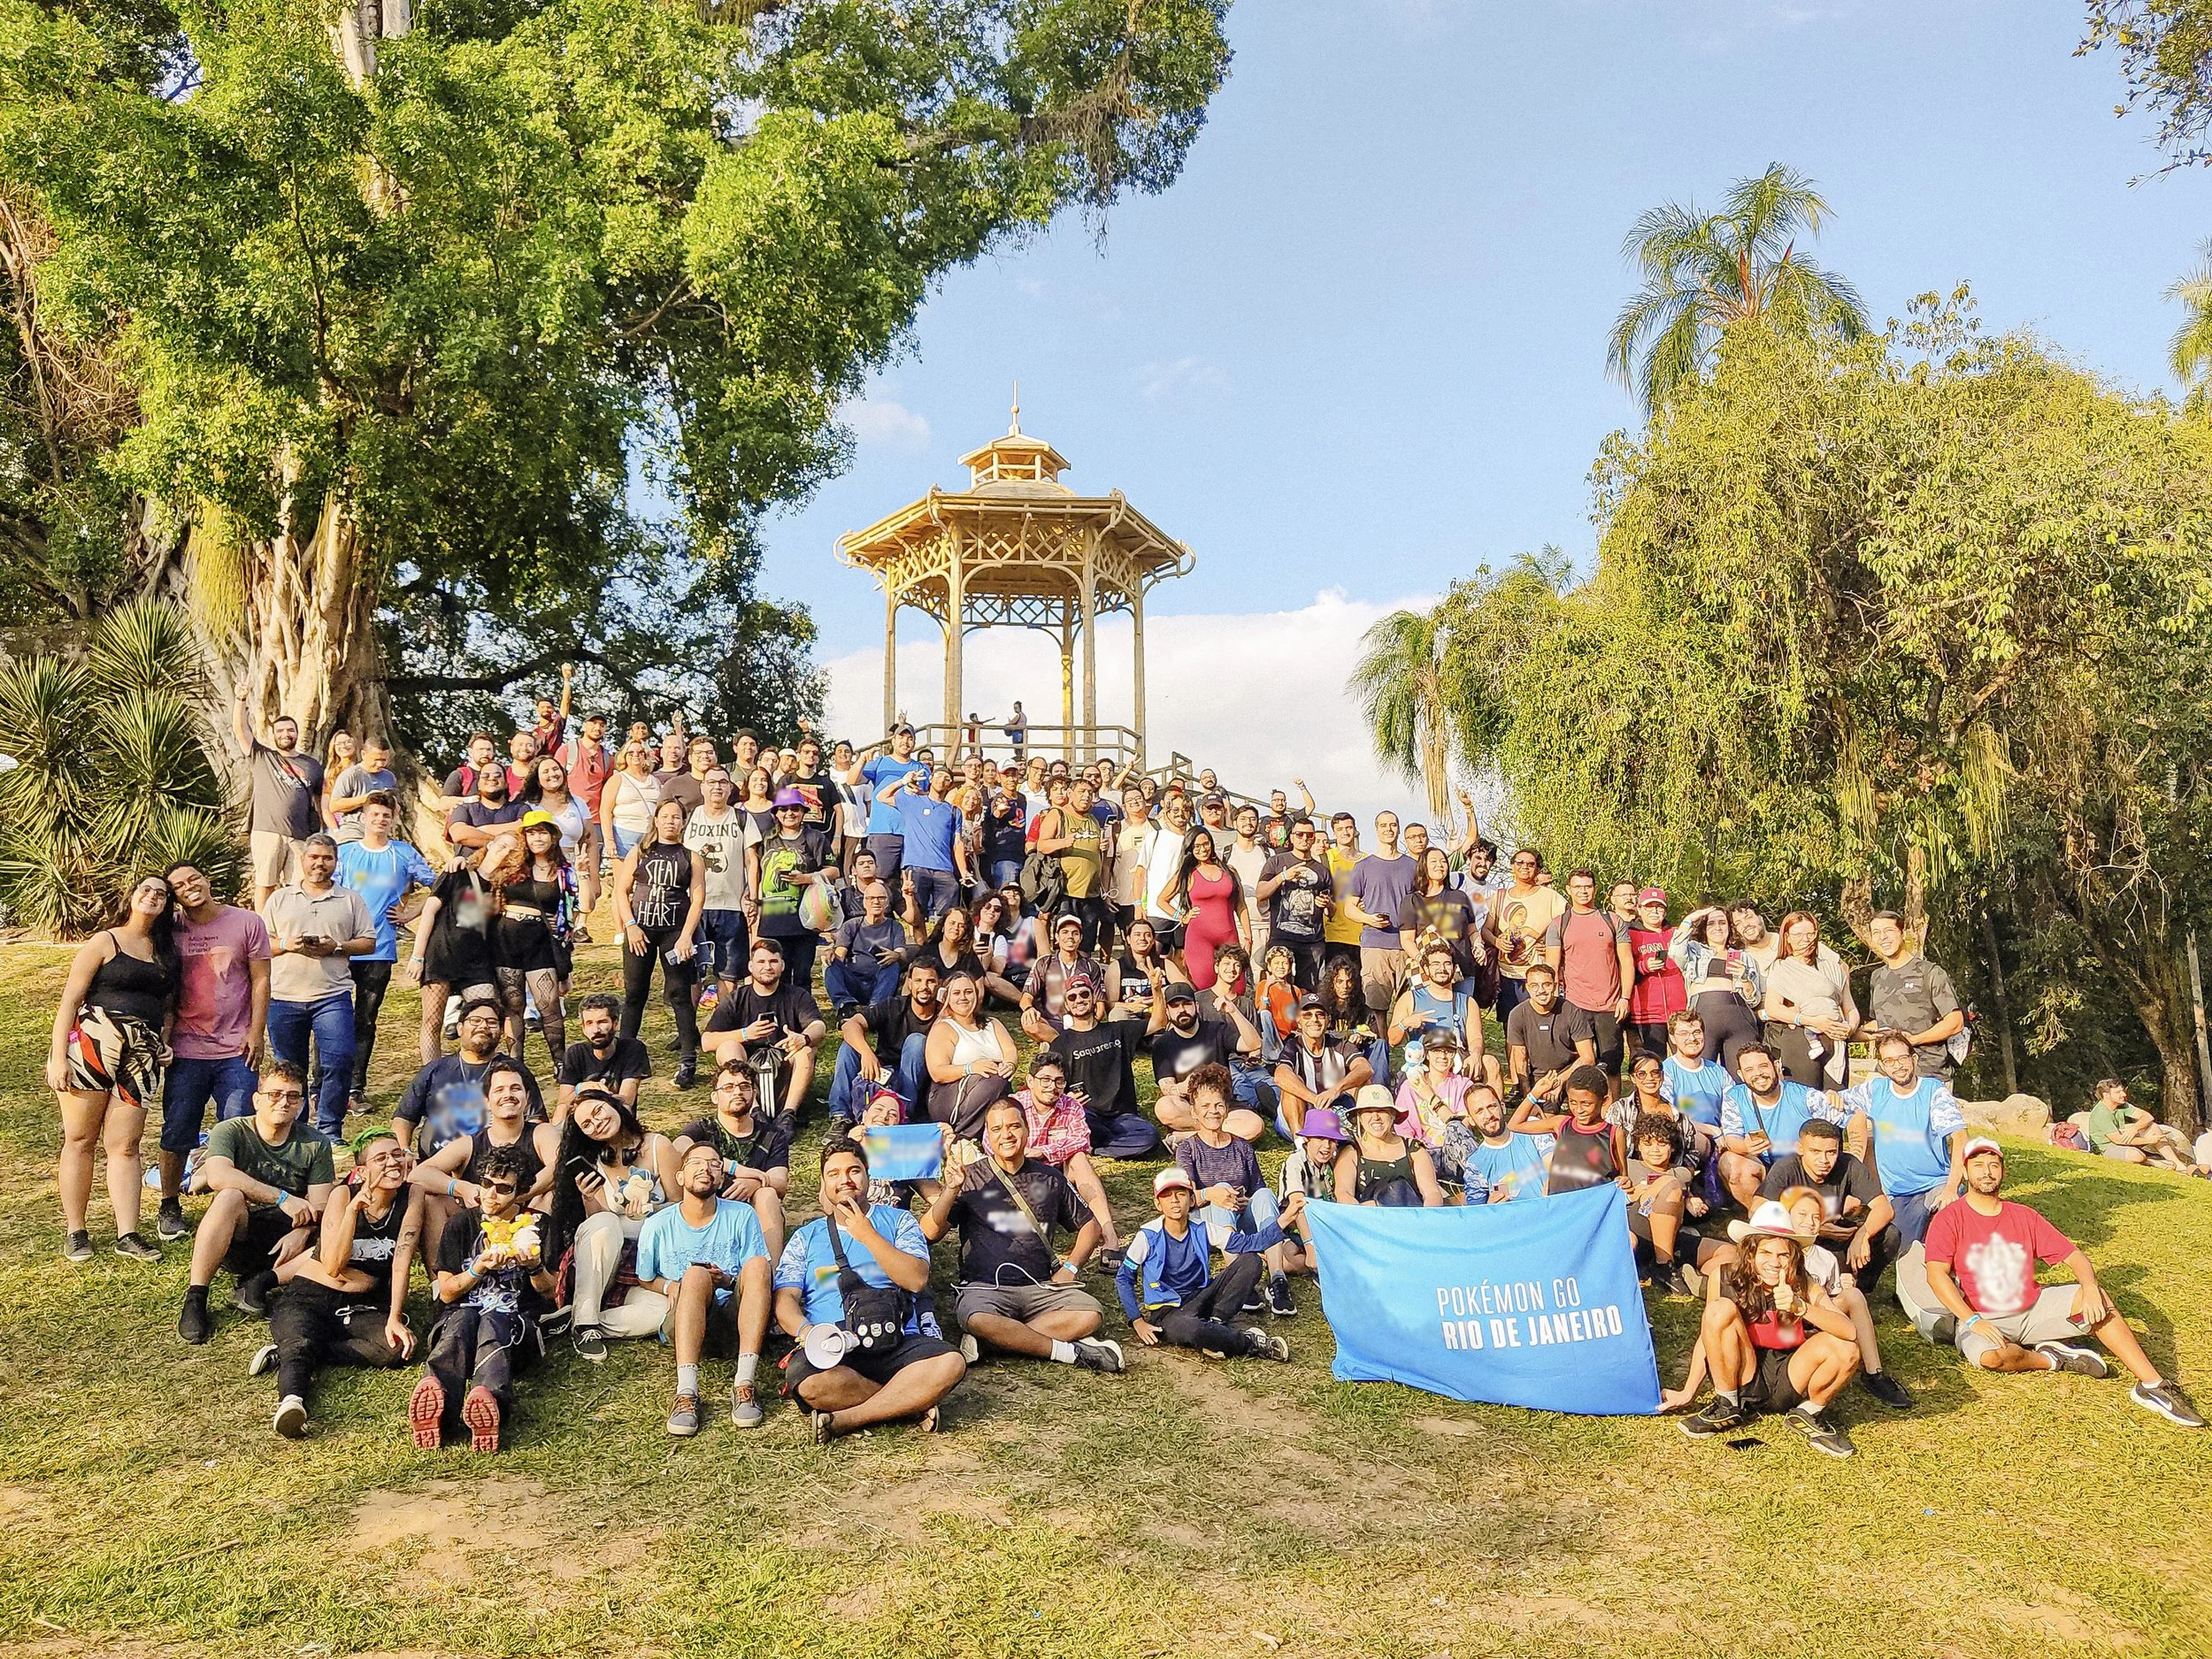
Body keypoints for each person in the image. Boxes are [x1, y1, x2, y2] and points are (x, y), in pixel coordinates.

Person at [1923, 1139, 2202, 1426]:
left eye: (1994, 1164)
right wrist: (1971, 1321)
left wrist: (2091, 1288)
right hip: (1982, 1317)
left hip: (2032, 1308)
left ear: (2003, 1172)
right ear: (1966, 1172)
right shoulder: (1949, 1219)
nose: (1987, 1172)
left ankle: (2152, 1386)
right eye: (1978, 1165)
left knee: (2099, 1300)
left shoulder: (2024, 1216)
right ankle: (2051, 1358)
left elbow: (2075, 1257)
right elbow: (1936, 1275)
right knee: (1993, 1358)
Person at [777, 1139, 967, 1441]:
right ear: (824, 1183)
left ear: (868, 1174)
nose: (845, 1180)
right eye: (834, 1174)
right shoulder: (806, 1236)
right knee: (809, 1383)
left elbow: (917, 1280)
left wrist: (867, 1234)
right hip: (834, 1342)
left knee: (951, 1363)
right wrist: (807, 1332)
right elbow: (785, 1299)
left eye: (854, 1171)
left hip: (897, 1336)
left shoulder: (899, 1220)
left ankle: (848, 1419)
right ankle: (910, 1405)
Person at [919, 1098, 1122, 1371]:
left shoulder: (1050, 1177)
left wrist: (1071, 1268)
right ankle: (1068, 1352)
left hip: (1041, 1288)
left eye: (1014, 1126)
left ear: (1027, 1131)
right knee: (978, 1319)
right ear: (987, 1137)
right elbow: (929, 1232)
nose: (1007, 1134)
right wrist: (951, 1190)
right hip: (986, 1289)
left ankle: (994, 1342)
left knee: (1090, 1314)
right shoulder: (971, 1177)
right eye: (997, 1129)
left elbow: (1091, 1226)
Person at [258, 1124, 423, 1438]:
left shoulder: (412, 1194)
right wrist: (352, 1211)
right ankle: (292, 1403)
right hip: (311, 1296)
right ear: (361, 1171)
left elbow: (402, 1258)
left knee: (395, 1348)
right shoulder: (342, 1195)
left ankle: (291, 1352)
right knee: (301, 1341)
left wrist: (393, 1317)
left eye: (397, 1155)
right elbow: (333, 1265)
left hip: (363, 1304)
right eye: (381, 1159)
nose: (393, 1163)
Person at [50, 875, 176, 1263]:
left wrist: (164, 1043)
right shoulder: (106, 941)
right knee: (80, 1139)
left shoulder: (167, 952)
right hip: (92, 1046)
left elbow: (168, 1009)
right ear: (133, 896)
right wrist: (58, 1057)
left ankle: (128, 1233)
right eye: (146, 890)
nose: (153, 897)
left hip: (141, 1056)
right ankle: (77, 1230)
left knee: (125, 1146)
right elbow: (70, 1000)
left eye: (161, 894)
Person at [1671, 1200, 1861, 1455]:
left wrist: (1801, 1307)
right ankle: (1727, 1403)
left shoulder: (1803, 1284)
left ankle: (1808, 1412)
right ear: (1750, 1253)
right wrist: (1688, 1392)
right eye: (1766, 1253)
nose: (1775, 1262)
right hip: (1744, 1372)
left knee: (1847, 1348)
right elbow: (1709, 1334)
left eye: (1783, 1254)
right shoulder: (1725, 1276)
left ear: (1792, 1257)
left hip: (1791, 1374)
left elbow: (1849, 1332)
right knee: (1719, 1310)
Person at [156, 860, 273, 1242]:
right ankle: (169, 1204)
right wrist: (163, 1038)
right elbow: (166, 991)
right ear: (173, 896)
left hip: (237, 1048)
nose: (189, 887)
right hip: (187, 1047)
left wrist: (256, 1034)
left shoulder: (246, 922)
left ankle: (230, 1204)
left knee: (237, 1125)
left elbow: (260, 980)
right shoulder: (169, 930)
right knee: (178, 1128)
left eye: (194, 878)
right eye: (178, 885)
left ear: (206, 880)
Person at [412, 1143, 557, 1451]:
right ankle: (438, 1400)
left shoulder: (538, 1226)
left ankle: (490, 1402)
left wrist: (534, 1266)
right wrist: (477, 1269)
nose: (491, 1194)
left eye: (503, 1189)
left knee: (493, 1320)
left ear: (520, 1192)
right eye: (487, 1183)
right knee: (464, 1317)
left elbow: (551, 1291)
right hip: (458, 1326)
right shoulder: (460, 1224)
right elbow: (448, 1290)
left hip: (515, 1328)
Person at [177, 1061, 334, 1345]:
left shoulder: (316, 1143)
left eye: (292, 1096)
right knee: (229, 1195)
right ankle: (196, 1297)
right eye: (275, 1094)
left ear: (300, 1104)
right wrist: (283, 1197)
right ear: (257, 1099)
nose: (283, 1102)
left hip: (291, 1241)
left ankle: (261, 1284)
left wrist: (302, 1232)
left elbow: (322, 1205)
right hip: (240, 1233)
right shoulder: (230, 1131)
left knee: (339, 1228)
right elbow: (217, 1175)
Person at [634, 1141, 774, 1434]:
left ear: (721, 1178)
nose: (706, 1168)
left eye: (714, 1164)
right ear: (680, 1177)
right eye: (696, 1162)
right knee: (695, 1276)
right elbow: (645, 1277)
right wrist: (672, 1285)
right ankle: (686, 1392)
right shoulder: (657, 1225)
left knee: (759, 1264)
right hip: (687, 1318)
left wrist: (727, 1281)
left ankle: (745, 1383)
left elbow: (755, 1276)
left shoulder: (742, 1214)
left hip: (738, 1320)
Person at [547, 1087, 682, 1361]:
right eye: (587, 1124)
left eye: (598, 1111)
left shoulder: (658, 1146)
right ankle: (585, 1320)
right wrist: (588, 1198)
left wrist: (648, 1213)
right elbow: (597, 1228)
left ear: (613, 1105)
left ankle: (587, 1322)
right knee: (606, 1222)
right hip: (608, 1267)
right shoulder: (594, 1163)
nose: (596, 1122)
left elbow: (681, 1208)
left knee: (667, 1312)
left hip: (648, 1269)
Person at [1118, 1167, 1295, 1363]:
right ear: (1158, 1204)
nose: (1175, 1201)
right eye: (1167, 1196)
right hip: (1168, 1311)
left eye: (1180, 1194)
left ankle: (1216, 1323)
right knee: (1191, 1329)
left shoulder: (1203, 1229)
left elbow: (1250, 1244)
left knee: (1251, 1260)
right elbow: (1124, 1277)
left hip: (1202, 1297)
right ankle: (1248, 1342)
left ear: (1192, 1200)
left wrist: (1286, 1218)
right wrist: (1137, 1320)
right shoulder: (1148, 1235)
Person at [262, 834, 375, 1139]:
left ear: (335, 863)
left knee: (339, 1059)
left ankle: (329, 1129)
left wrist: (336, 946)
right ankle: (296, 1129)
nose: (319, 864)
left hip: (331, 995)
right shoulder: (280, 899)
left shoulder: (351, 899)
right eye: (314, 857)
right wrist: (288, 945)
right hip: (284, 996)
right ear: (303, 860)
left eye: (327, 858)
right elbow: (261, 944)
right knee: (289, 1067)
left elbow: (368, 941)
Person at [334, 794, 435, 1111]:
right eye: (374, 814)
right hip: (340, 948)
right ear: (363, 818)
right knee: (332, 1017)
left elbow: (440, 884)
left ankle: (355, 1089)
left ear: (393, 819)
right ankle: (321, 1085)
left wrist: (410, 913)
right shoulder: (346, 854)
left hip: (379, 949)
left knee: (365, 1019)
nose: (380, 819)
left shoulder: (402, 854)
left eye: (385, 815)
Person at [409, 1055, 553, 1274]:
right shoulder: (469, 1143)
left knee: (552, 1192)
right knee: (432, 1199)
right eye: (499, 1090)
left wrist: (516, 1196)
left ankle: (541, 1276)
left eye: (516, 1089)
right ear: (486, 1100)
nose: (508, 1095)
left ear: (527, 1096)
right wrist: (461, 1187)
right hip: (477, 1226)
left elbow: (559, 1167)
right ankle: (442, 1281)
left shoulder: (541, 1133)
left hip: (529, 1222)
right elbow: (418, 1175)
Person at [1178, 1064, 1300, 1312]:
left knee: (1265, 1195)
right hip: (1208, 1221)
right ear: (1194, 1112)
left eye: (1218, 1105)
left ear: (1227, 1109)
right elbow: (1183, 1200)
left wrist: (1245, 1200)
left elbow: (1258, 1190)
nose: (1213, 1112)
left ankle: (1277, 1279)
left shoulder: (1242, 1147)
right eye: (1205, 1106)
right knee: (1221, 1191)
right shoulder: (1188, 1149)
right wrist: (1210, 1193)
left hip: (1239, 1217)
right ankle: (1239, 1278)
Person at [1838, 1030, 1967, 1249]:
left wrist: (1951, 1188)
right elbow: (1829, 1104)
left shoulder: (1933, 1091)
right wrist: (1831, 1096)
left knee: (1942, 1241)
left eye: (1902, 1058)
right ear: (1883, 1065)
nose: (1897, 1066)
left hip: (1936, 1185)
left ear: (1914, 1059)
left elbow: (1960, 1137)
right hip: (1897, 1193)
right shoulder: (1874, 1091)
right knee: (1905, 1254)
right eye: (1889, 1061)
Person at [615, 798, 706, 1087]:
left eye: (676, 817)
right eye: (665, 816)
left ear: (683, 822)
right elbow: (621, 891)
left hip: (674, 934)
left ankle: (688, 1061)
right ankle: (622, 1061)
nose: (670, 821)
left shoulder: (691, 856)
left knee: (679, 994)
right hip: (640, 931)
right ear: (656, 820)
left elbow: (698, 898)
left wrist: (686, 936)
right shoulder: (640, 851)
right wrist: (630, 926)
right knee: (634, 995)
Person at [1757, 1118, 1894, 1295]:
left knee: (1890, 1235)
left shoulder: (1849, 1164)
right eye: (1815, 1151)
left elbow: (1884, 1208)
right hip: (1798, 1238)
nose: (1824, 1160)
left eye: (1831, 1152)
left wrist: (1863, 1234)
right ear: (1801, 1149)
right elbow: (1758, 1209)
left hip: (1837, 1236)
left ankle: (1861, 1288)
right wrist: (1812, 1229)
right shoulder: (1785, 1169)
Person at [393, 995, 546, 1150]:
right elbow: (403, 1118)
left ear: (501, 1032)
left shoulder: (514, 1071)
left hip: (496, 1162)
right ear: (460, 1029)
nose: (483, 1026)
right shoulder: (435, 1070)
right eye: (475, 1021)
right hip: (436, 1164)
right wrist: (404, 1151)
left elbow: (535, 1120)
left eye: (492, 1023)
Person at [673, 1060, 793, 1260]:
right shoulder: (704, 1128)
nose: (737, 1092)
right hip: (710, 1206)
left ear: (754, 1094)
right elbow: (678, 1147)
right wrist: (732, 1167)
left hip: (752, 1212)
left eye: (744, 1086)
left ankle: (771, 1274)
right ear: (715, 1097)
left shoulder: (772, 1135)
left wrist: (753, 1184)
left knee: (767, 1195)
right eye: (728, 1087)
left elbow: (780, 1182)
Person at [1014, 1051, 1126, 1260]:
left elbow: (1081, 1140)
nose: (1052, 1087)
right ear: (1030, 1081)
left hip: (1061, 1173)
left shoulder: (1071, 1106)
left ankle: (1110, 1236)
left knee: (1079, 1159)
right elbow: (993, 1145)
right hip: (1024, 1174)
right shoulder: (1014, 1106)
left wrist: (1043, 1151)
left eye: (1059, 1081)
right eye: (1045, 1080)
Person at [703, 938, 826, 1120]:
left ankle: (788, 1115)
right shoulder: (736, 999)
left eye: (773, 961)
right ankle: (754, 1111)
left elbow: (819, 1026)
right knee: (727, 1047)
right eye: (761, 962)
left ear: (782, 966)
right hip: (748, 1066)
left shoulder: (797, 995)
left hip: (784, 1063)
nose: (767, 967)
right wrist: (746, 1034)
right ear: (750, 967)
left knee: (806, 1051)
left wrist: (803, 1038)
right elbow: (707, 1041)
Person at [1041, 972, 1158, 1160]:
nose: (1079, 999)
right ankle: (1101, 1142)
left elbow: (1158, 1022)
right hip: (1087, 1115)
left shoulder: (1118, 1030)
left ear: (1094, 998)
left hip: (1123, 1117)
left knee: (1150, 1136)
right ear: (1067, 1004)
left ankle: (1092, 1147)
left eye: (1084, 994)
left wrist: (1157, 989)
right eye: (1072, 996)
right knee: (1082, 1124)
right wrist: (1067, 1099)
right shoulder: (1061, 1043)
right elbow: (1049, 1085)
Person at [1716, 1043, 1847, 1210]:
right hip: (1764, 1165)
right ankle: (1763, 1217)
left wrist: (1855, 1158)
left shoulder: (1805, 1096)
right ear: (1741, 1075)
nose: (1758, 1074)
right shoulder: (1735, 1097)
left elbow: (1854, 1117)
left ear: (1776, 1066)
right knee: (1731, 1162)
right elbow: (1731, 1139)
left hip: (1802, 1169)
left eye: (1763, 1066)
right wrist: (1746, 1146)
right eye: (1749, 1070)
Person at [404, 841, 500, 1066]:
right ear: (490, 847)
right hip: (442, 954)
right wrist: (417, 956)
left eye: (513, 849)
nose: (505, 852)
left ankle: (476, 1066)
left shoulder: (505, 885)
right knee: (433, 1020)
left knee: (484, 1016)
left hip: (477, 961)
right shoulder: (457, 873)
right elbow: (429, 911)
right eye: (501, 846)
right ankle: (431, 1073)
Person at [232, 688, 326, 909]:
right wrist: (240, 699)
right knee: (265, 883)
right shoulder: (262, 756)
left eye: (290, 730)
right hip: (267, 831)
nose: (286, 734)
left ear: (297, 733)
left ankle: (293, 927)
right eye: (281, 730)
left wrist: (324, 832)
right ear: (274, 735)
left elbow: (321, 801)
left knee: (298, 885)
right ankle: (262, 930)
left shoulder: (311, 765)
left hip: (300, 835)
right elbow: (240, 730)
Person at [1148, 979, 1267, 1141]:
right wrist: (1182, 1088)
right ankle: (1217, 1134)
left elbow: (1254, 1043)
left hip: (1223, 1106)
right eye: (1175, 1006)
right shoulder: (1163, 1044)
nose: (1182, 1010)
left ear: (1196, 1006)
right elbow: (1166, 1086)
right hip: (1190, 1108)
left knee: (1254, 1125)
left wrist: (1234, 1012)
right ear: (1167, 1012)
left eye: (1186, 1004)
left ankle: (1189, 1137)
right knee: (1164, 1107)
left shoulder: (1217, 1030)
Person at [829, 958, 941, 1127]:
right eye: (918, 981)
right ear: (909, 984)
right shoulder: (893, 1005)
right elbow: (850, 1025)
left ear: (940, 984)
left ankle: (904, 1113)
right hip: (881, 1073)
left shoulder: (944, 1016)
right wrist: (867, 1053)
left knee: (916, 1041)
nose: (923, 987)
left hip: (916, 1082)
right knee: (848, 1047)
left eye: (930, 981)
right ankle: (840, 1116)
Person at [1541, 870, 1633, 1075]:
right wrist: (1553, 1004)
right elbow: (1552, 968)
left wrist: (1625, 998)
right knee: (1581, 1065)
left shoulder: (1613, 920)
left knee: (1612, 1067)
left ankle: (1610, 1107)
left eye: (1587, 887)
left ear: (1595, 889)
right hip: (1576, 1006)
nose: (1583, 891)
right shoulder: (1559, 924)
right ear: (1569, 890)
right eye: (1578, 887)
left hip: (1610, 1006)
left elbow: (1626, 961)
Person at [1863, 910, 1965, 1081]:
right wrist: (1847, 1033)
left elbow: (1955, 1022)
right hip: (1888, 1075)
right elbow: (1878, 1024)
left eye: (1889, 931)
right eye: (1877, 933)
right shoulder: (1877, 977)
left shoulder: (1930, 972)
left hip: (1928, 1074)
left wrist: (1914, 1040)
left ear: (1902, 934)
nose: (1883, 937)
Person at [752, 786, 836, 991]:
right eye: (784, 809)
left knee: (801, 973)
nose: (789, 813)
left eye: (795, 809)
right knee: (776, 971)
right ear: (776, 813)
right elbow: (754, 869)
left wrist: (808, 878)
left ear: (803, 812)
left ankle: (802, 1016)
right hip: (774, 914)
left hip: (805, 914)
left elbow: (834, 871)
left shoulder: (815, 838)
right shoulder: (766, 839)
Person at [1760, 912, 1858, 1087]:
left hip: (1835, 1039)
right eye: (1798, 935)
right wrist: (1812, 1021)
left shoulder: (1832, 967)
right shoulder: (1781, 968)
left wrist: (1849, 1029)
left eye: (1810, 934)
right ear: (1787, 937)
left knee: (1837, 1100)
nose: (1805, 940)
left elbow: (1849, 1007)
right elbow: (1773, 1008)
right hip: (1801, 1039)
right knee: (1804, 1099)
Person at [925, 970, 1018, 1145]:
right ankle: (963, 1137)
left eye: (968, 992)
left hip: (994, 1087)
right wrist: (971, 1068)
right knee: (995, 1078)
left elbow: (1010, 1050)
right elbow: (937, 1072)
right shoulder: (944, 1028)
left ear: (976, 995)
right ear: (948, 998)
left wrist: (1010, 1065)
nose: (963, 997)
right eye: (957, 993)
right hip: (950, 1095)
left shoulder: (993, 1024)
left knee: (1008, 1093)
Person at [1340, 810, 1417, 1019]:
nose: (1389, 829)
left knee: (1411, 1002)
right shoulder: (1363, 867)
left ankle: (1411, 1048)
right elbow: (1349, 908)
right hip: (1375, 943)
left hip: (1407, 943)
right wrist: (1369, 919)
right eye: (1383, 825)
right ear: (1376, 830)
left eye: (1393, 825)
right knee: (1376, 1004)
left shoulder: (1413, 866)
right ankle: (1382, 1047)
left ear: (1399, 829)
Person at [1509, 1064, 1626, 1196]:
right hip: (1559, 1208)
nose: (1579, 1110)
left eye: (1586, 1104)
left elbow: (1622, 1178)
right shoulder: (1561, 1124)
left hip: (1593, 1211)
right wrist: (1535, 1093)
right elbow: (1515, 1125)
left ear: (1604, 1101)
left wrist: (1624, 1182)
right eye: (1573, 1102)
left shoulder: (1614, 1134)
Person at [1271, 991, 1375, 1140]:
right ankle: (1300, 1143)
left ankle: (1365, 1133)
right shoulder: (1293, 1046)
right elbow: (1280, 1076)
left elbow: (1366, 1068)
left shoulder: (1340, 1044)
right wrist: (1315, 1100)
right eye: (1307, 1015)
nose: (1314, 1020)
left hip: (1334, 1112)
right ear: (1299, 1021)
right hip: (1301, 1116)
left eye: (1320, 1015)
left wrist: (1336, 1090)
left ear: (1328, 1020)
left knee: (1364, 1082)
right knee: (1290, 1087)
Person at [1386, 941, 1489, 1082]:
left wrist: (1476, 1054)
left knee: (1490, 1063)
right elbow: (1392, 1040)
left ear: (1454, 969)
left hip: (1456, 1062)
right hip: (1424, 1064)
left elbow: (1476, 1039)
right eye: (1435, 964)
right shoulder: (1410, 998)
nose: (1442, 968)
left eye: (1447, 964)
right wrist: (1405, 1023)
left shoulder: (1467, 1002)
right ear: (1426, 970)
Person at [1164, 828, 1248, 992]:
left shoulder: (1229, 871)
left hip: (1229, 935)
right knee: (1203, 988)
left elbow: (1241, 905)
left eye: (1205, 844)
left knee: (1237, 987)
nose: (1202, 850)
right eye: (1196, 847)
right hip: (1199, 939)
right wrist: (1182, 916)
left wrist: (1248, 936)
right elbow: (1162, 899)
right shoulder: (1188, 873)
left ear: (1211, 843)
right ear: (1190, 849)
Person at [1487, 846, 1566, 1020]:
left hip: (1538, 976)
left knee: (1540, 1026)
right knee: (1511, 1027)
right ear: (1512, 866)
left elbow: (1569, 925)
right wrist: (1497, 942)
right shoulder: (1499, 897)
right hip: (1507, 976)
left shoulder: (1551, 897)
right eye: (1520, 863)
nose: (1525, 867)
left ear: (1537, 869)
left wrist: (1553, 947)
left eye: (1531, 864)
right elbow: (1486, 930)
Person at [520, 753, 602, 920]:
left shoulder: (578, 803)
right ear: (537, 780)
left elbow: (590, 841)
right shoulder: (528, 806)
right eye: (546, 771)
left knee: (567, 923)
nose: (552, 774)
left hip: (572, 869)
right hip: (540, 871)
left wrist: (593, 877)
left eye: (556, 769)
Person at [1504, 963, 1595, 1110]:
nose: (1541, 990)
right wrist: (1529, 1095)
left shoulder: (1572, 1011)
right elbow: (1519, 1059)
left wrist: (1559, 1081)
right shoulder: (1517, 1014)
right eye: (1534, 985)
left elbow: (1588, 1058)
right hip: (1541, 1077)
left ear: (1555, 985)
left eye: (1546, 984)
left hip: (1573, 1072)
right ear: (1527, 988)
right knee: (1544, 1120)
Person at [1257, 817, 1333, 989]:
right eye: (1299, 834)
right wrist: (1283, 877)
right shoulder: (1276, 862)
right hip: (1282, 937)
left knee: (1310, 993)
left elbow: (1333, 910)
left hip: (1313, 941)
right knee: (1279, 989)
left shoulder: (1322, 870)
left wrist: (1327, 904)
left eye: (1309, 835)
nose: (1304, 839)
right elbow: (1261, 893)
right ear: (1291, 837)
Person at [1451, 1085, 1552, 1204]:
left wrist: (1553, 1181)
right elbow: (1477, 1213)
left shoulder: (1531, 1127)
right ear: (1471, 1120)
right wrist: (1490, 1207)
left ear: (1502, 1107)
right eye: (1479, 1111)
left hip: (1551, 1209)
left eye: (1492, 1106)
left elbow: (1554, 1163)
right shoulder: (1475, 1165)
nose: (1488, 1115)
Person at [2079, 1077, 2203, 1171]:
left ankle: (2179, 1165)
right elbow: (2118, 1140)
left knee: (2153, 1127)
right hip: (2106, 1147)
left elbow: (2147, 1116)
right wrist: (2149, 1140)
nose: (2124, 1095)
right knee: (2137, 1156)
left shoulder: (2122, 1105)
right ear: (2106, 1095)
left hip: (2123, 1139)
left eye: (2122, 1091)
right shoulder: (2101, 1113)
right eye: (2118, 1092)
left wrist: (2135, 1128)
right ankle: (2151, 1162)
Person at [825, 879, 906, 1017]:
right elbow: (839, 955)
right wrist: (830, 954)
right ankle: (845, 1006)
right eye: (871, 898)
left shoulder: (895, 927)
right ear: (864, 902)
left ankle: (875, 1009)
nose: (876, 902)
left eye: (881, 898)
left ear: (887, 902)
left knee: (894, 965)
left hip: (881, 982)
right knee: (831, 965)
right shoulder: (851, 925)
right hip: (855, 981)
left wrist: (896, 956)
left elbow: (902, 953)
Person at [558, 991, 651, 1110]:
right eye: (589, 1023)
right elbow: (563, 1104)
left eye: (602, 1022)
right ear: (583, 1027)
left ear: (615, 1024)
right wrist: (580, 1089)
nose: (596, 1030)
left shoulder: (632, 1049)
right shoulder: (575, 1054)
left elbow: (626, 1101)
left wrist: (598, 1095)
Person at [1624, 887, 1684, 1060]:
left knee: (1684, 1059)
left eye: (1659, 907)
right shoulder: (1631, 934)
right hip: (1648, 1013)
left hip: (1679, 1010)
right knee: (1655, 1061)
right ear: (1640, 909)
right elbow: (1621, 970)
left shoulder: (1676, 934)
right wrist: (1644, 966)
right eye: (1650, 907)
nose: (1655, 911)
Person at [1133, 790, 1194, 954]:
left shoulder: (1195, 840)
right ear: (1166, 812)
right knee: (1154, 957)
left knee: (1182, 959)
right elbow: (1140, 872)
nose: (1181, 814)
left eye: (1186, 810)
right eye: (1175, 810)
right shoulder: (1155, 837)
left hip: (1186, 911)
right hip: (1157, 911)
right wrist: (1138, 904)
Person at [1659, 1009, 1730, 1132]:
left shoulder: (1719, 1072)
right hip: (1682, 1135)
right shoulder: (1665, 1072)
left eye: (1697, 1032)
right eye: (1684, 1033)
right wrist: (1710, 1131)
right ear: (1673, 1038)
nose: (1692, 1038)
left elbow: (1732, 1111)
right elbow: (1668, 1117)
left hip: (1720, 1138)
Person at [445, 755, 525, 860]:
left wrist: (479, 831)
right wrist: (499, 842)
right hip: (468, 867)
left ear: (506, 783)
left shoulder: (520, 808)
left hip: (507, 869)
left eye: (497, 775)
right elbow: (459, 834)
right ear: (478, 784)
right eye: (485, 776)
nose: (491, 778)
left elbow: (522, 828)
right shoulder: (463, 808)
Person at [599, 738, 662, 860]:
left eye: (640, 752)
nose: (636, 755)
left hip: (650, 836)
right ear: (625, 755)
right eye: (631, 752)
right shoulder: (617, 779)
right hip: (624, 835)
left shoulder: (655, 781)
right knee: (623, 878)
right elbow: (605, 811)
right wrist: (609, 841)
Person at [325, 735, 397, 840]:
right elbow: (334, 806)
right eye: (376, 759)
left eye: (384, 760)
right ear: (363, 754)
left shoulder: (389, 777)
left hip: (380, 832)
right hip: (354, 832)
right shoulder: (351, 775)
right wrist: (366, 799)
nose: (380, 764)